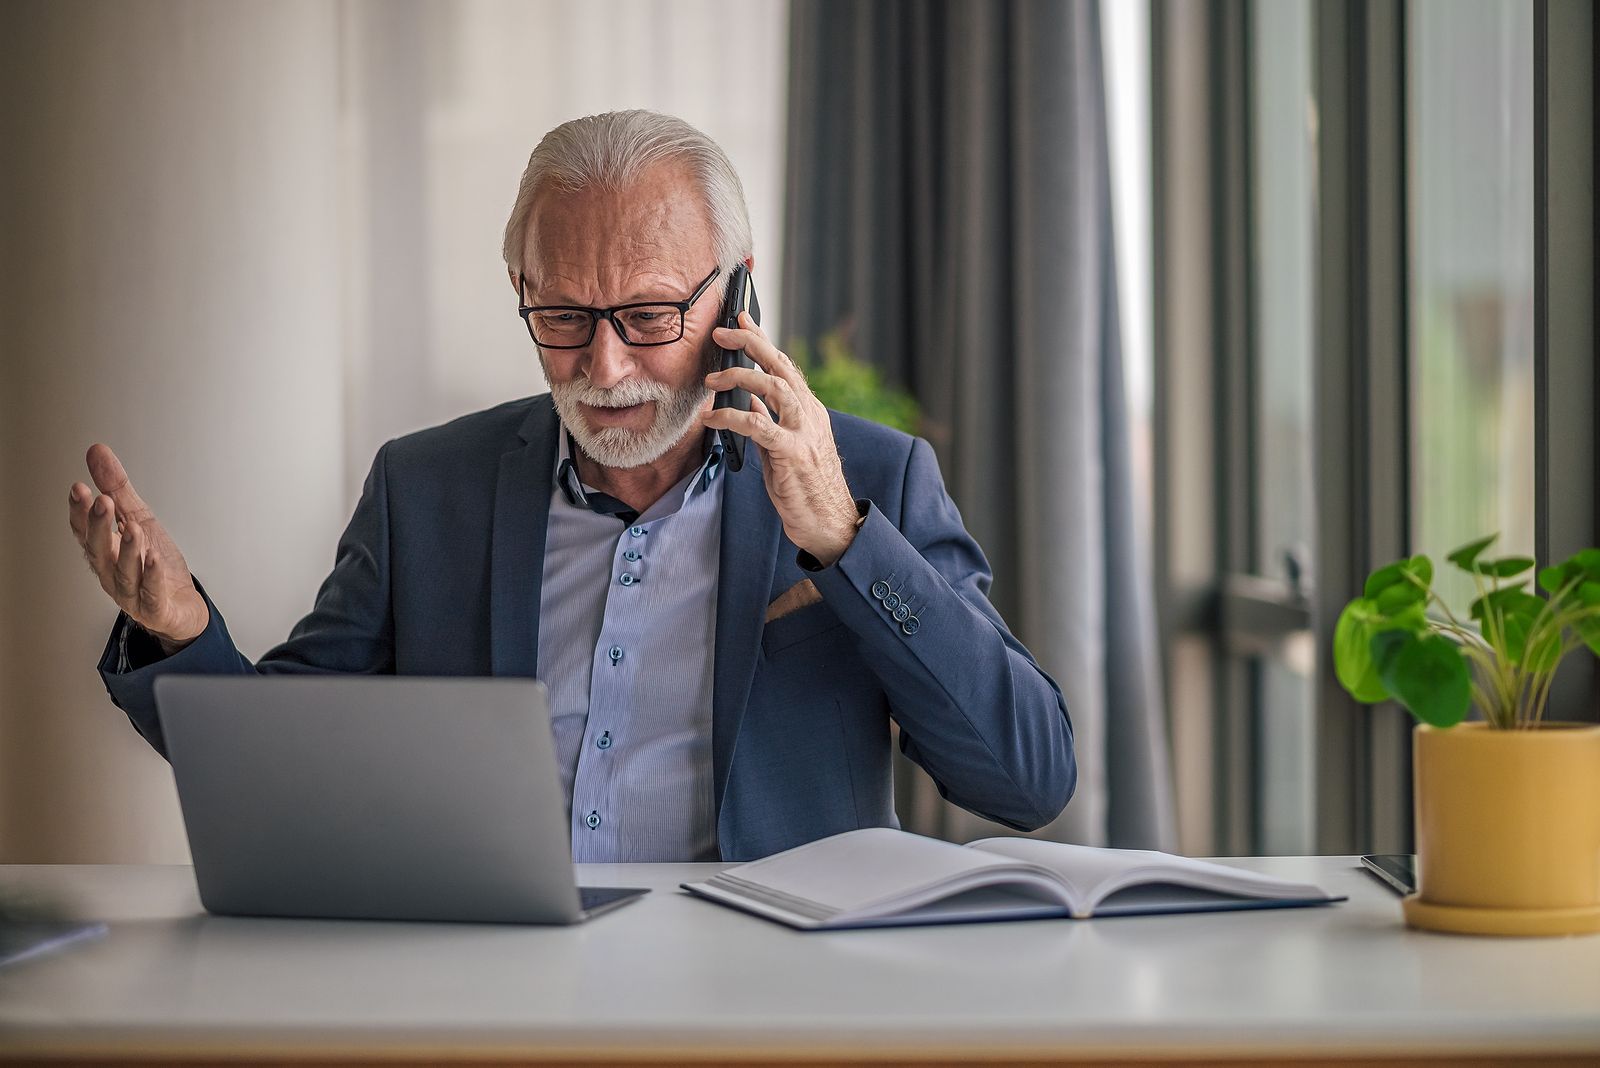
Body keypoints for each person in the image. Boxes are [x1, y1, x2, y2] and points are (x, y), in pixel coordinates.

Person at [66, 110, 1075, 862]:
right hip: (493, 993)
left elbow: (1025, 780)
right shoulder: (426, 492)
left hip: (768, 999)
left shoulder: (872, 479)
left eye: (646, 316)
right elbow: (273, 768)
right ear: (521, 290)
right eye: (561, 316)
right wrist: (178, 628)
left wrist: (845, 541)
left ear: (738, 291)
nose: (603, 368)